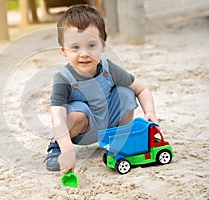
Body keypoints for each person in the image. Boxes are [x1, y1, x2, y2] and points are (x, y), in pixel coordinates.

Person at [45, 5, 158, 174]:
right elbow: (57, 116)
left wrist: (150, 111)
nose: (84, 53)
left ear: (103, 45)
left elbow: (141, 89)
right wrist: (67, 147)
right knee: (79, 111)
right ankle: (56, 147)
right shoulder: (63, 79)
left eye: (91, 45)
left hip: (108, 125)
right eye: (75, 47)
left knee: (126, 92)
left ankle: (118, 141)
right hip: (80, 131)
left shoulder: (109, 69)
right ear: (64, 51)